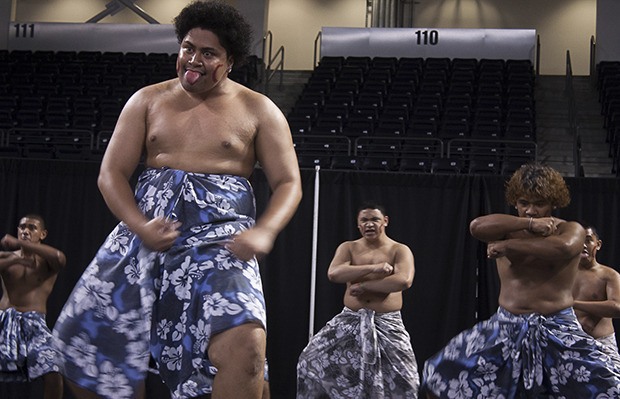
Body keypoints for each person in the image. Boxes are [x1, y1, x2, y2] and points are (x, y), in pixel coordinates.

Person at [52, 1, 302, 398]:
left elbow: (289, 182)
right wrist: (140, 226)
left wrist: (265, 231)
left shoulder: (259, 110)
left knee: (247, 347)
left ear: (230, 60)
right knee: (85, 343)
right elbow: (111, 174)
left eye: (209, 53)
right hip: (147, 240)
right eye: (188, 47)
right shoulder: (147, 100)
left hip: (221, 246)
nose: (194, 59)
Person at [422, 163, 620, 398]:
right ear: (515, 201)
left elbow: (562, 248)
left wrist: (508, 246)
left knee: (609, 388)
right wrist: (527, 225)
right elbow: (477, 227)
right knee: (438, 375)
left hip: (558, 325)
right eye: (524, 203)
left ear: (553, 203)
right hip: (506, 324)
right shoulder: (505, 227)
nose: (531, 210)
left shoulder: (570, 229)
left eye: (539, 204)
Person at [297, 202, 420, 398]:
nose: (369, 224)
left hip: (387, 323)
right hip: (350, 320)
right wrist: (373, 269)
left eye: (374, 219)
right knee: (309, 360)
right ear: (358, 224)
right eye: (364, 220)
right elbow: (335, 273)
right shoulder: (349, 248)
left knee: (406, 379)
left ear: (385, 221)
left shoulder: (399, 249)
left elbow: (403, 281)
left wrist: (364, 286)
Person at [0, 214, 66, 399]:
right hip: (4, 321)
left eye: (31, 228)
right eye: (21, 227)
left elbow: (60, 258)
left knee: (53, 371)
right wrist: (16, 259)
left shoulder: (48, 262)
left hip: (34, 326)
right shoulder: (6, 257)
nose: (25, 231)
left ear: (42, 234)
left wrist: (19, 244)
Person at [572, 224, 620, 365]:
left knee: (613, 386)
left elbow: (617, 308)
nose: (583, 245)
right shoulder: (564, 275)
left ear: (597, 244)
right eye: (579, 240)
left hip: (601, 345)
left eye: (588, 240)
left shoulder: (609, 275)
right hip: (569, 345)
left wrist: (574, 303)